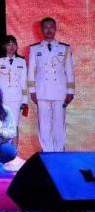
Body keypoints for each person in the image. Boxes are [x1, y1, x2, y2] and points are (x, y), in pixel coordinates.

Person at [28, 17, 75, 152]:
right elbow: (31, 71)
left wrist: (70, 91)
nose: (49, 30)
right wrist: (32, 91)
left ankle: (59, 152)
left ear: (55, 29)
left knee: (59, 123)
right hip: (41, 91)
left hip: (60, 91)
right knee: (44, 124)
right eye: (46, 27)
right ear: (41, 30)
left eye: (51, 27)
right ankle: (47, 151)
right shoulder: (35, 49)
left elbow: (69, 71)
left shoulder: (64, 48)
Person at [0, 36, 28, 138]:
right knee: (1, 124)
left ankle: (15, 147)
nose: (11, 47)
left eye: (13, 44)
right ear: (4, 46)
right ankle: (3, 147)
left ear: (16, 46)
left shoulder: (21, 61)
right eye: (8, 44)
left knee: (14, 125)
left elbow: (23, 82)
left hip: (17, 98)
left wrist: (24, 100)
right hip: (3, 98)